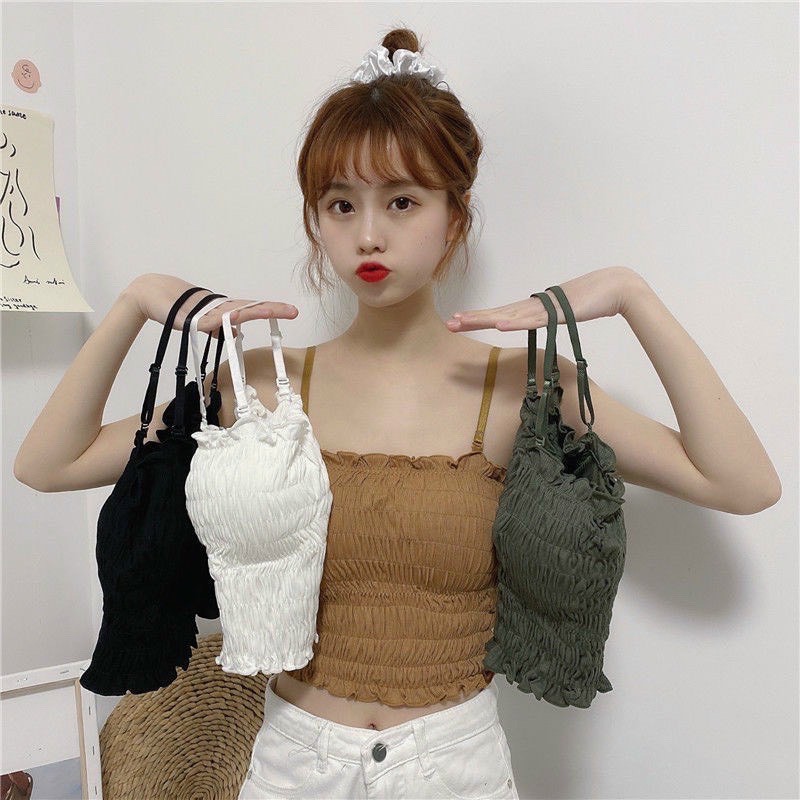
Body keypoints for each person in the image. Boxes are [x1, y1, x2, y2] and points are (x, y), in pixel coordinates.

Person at [14, 26, 781, 800]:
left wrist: (628, 294)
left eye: (402, 201)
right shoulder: (263, 385)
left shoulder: (524, 388)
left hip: (455, 770)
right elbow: (49, 463)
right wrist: (137, 301)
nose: (369, 234)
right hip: (293, 769)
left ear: (455, 217)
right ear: (316, 220)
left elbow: (741, 483)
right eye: (341, 204)